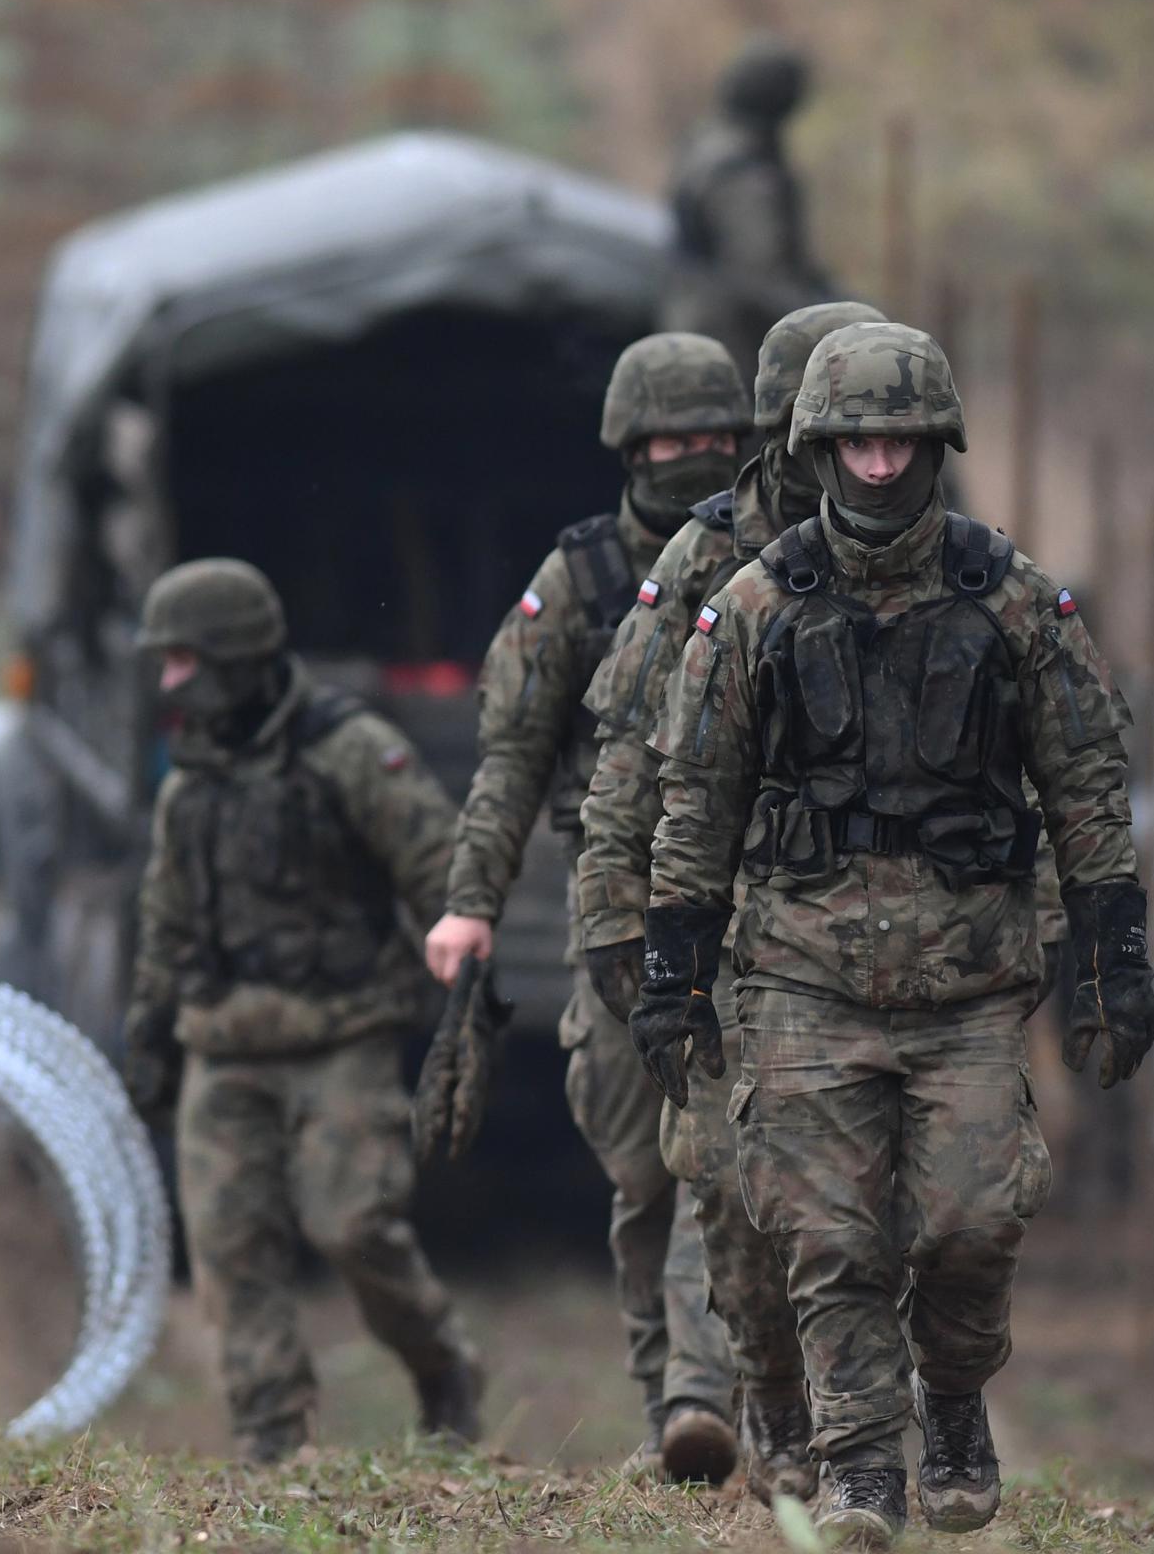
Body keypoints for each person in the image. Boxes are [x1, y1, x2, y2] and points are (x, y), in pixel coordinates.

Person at [636, 321, 1154, 1544]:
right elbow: (698, 797)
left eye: (902, 441)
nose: (880, 465)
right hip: (799, 979)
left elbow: (1085, 779)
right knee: (826, 1238)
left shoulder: (1015, 601)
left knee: (971, 1225)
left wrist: (1113, 955)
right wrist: (672, 969)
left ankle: (958, 1400)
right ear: (821, 448)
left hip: (970, 984)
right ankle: (863, 1465)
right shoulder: (754, 606)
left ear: (937, 445)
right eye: (859, 441)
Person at [567, 299, 887, 1500]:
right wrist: (620, 920)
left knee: (875, 1195)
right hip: (727, 919)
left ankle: (847, 1436)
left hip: (874, 933)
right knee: (715, 1171)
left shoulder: (935, 566)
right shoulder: (704, 558)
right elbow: (629, 758)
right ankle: (732, 1403)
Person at [425, 332, 752, 1480]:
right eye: (675, 439)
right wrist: (470, 906)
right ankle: (671, 1398)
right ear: (630, 443)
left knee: (728, 1153)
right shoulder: (577, 583)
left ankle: (717, 1402)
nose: (696, 456)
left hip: (750, 906)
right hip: (613, 905)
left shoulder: (775, 562)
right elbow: (508, 759)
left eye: (718, 438)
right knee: (640, 1163)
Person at [117, 558, 481, 1463]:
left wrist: (467, 974)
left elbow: (439, 860)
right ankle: (274, 1440)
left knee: (354, 1224)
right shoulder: (188, 781)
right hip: (223, 1040)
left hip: (341, 1029)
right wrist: (151, 1027)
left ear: (235, 658)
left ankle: (441, 1364)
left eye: (181, 661)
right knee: (230, 1246)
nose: (168, 681)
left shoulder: (347, 749)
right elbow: (165, 916)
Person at [662, 35, 828, 378]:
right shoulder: (743, 173)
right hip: (733, 348)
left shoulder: (706, 144)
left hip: (694, 329)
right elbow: (760, 275)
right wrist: (827, 325)